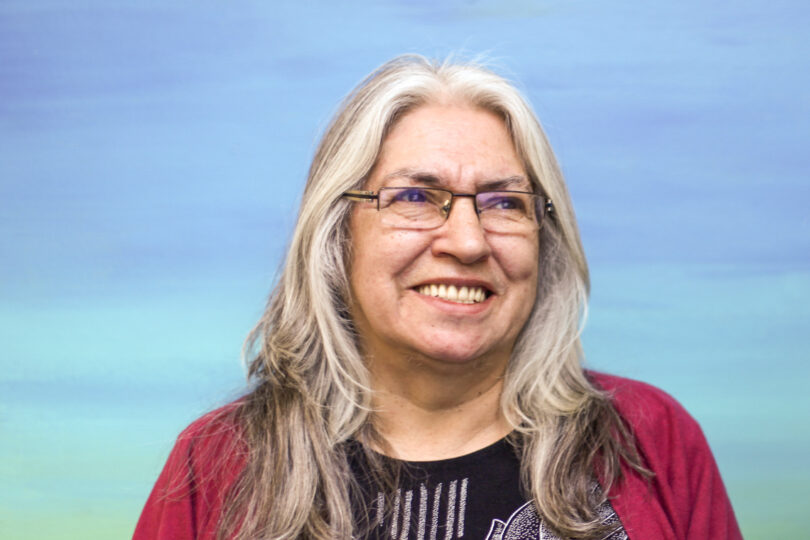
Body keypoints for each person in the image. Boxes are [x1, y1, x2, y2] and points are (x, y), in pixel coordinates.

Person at [133, 55, 742, 540]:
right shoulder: (216, 464)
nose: (469, 240)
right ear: (338, 234)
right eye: (416, 198)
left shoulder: (650, 441)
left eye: (505, 203)